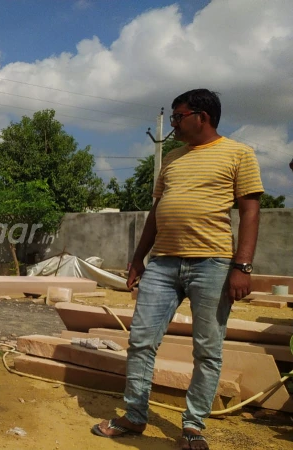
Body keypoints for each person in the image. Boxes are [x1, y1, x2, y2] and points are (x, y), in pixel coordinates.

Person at [91, 89, 263, 450]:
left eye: (178, 117)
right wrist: (138, 259)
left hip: (213, 263)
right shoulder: (171, 159)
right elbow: (157, 212)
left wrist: (242, 266)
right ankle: (135, 416)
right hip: (163, 263)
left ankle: (193, 426)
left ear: (202, 117)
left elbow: (249, 211)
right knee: (141, 341)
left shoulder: (238, 153)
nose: (172, 125)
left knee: (207, 349)